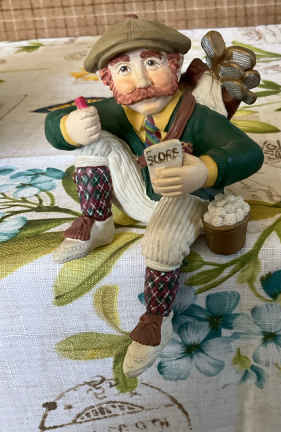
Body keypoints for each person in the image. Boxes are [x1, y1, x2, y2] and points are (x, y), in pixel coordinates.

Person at [45, 19, 263, 377]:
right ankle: (97, 221)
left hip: (184, 198)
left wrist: (205, 170)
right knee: (92, 141)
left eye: (151, 63)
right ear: (108, 79)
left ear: (174, 64)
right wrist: (69, 128)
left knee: (161, 244)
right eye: (124, 69)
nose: (142, 81)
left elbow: (249, 152)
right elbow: (55, 122)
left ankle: (155, 320)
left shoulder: (199, 117)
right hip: (137, 193)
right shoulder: (118, 112)